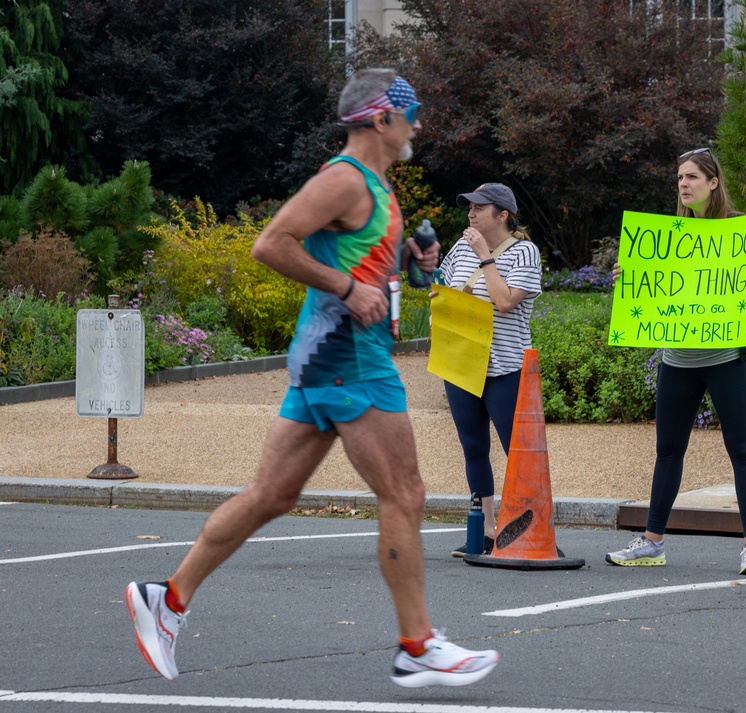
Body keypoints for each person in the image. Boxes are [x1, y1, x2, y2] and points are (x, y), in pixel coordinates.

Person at [124, 68, 499, 688]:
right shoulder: (346, 180)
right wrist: (348, 286)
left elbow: (357, 261)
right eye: (411, 113)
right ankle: (417, 645)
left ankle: (167, 597)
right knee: (404, 495)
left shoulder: (374, 186)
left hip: (325, 359)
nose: (418, 125)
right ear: (382, 119)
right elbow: (271, 244)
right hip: (350, 361)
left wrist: (411, 263)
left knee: (272, 496)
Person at [605, 147, 746, 576]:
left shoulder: (741, 231)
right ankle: (653, 542)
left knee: (741, 447)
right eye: (679, 177)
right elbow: (654, 293)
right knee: (668, 450)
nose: (683, 184)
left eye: (692, 177)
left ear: (713, 182)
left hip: (726, 356)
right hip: (678, 357)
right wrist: (629, 281)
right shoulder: (666, 235)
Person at [431, 183, 542, 557]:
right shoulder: (460, 248)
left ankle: (529, 528)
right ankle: (487, 530)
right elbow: (445, 285)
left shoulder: (525, 252)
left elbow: (505, 301)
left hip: (507, 366)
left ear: (503, 215)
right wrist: (439, 296)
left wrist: (485, 257)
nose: (470, 214)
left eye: (479, 208)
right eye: (469, 207)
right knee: (473, 448)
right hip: (462, 361)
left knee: (519, 453)